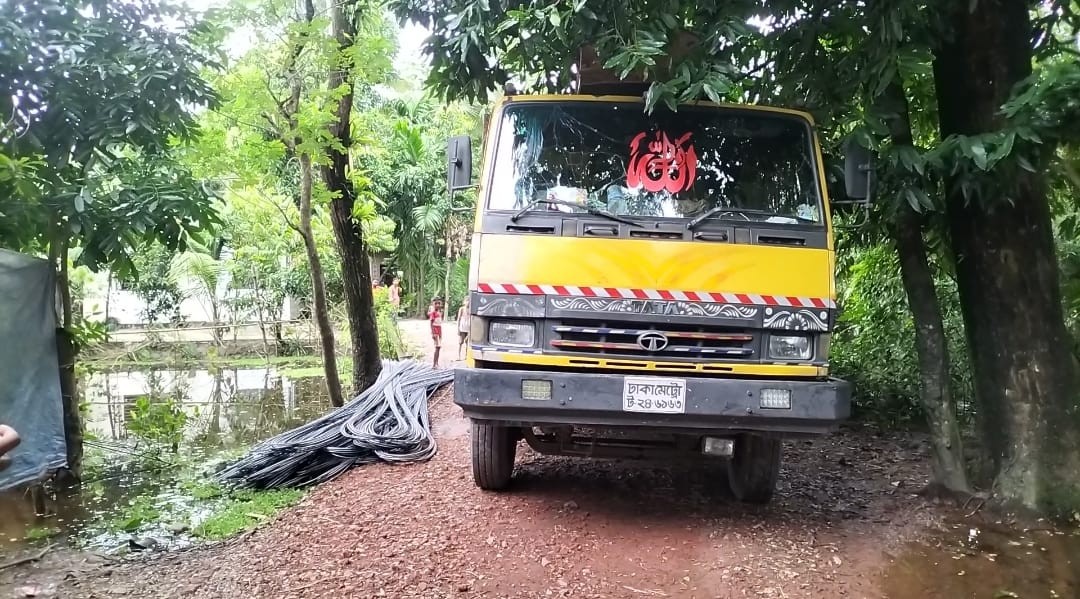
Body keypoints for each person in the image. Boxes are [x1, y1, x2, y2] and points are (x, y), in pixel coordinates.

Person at [428, 297, 444, 367]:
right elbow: (431, 323)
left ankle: (437, 362)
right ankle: (434, 364)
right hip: (435, 330)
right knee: (437, 347)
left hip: (439, 330)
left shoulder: (439, 312)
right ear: (433, 304)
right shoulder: (433, 313)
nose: (437, 305)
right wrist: (433, 333)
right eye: (436, 303)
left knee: (439, 347)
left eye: (439, 303)